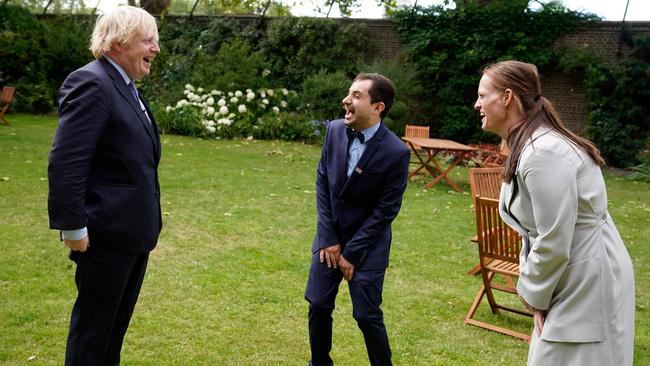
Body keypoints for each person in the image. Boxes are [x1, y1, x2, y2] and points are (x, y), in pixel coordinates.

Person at [474, 60, 635, 365]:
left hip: (587, 276)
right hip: (567, 273)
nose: (477, 104)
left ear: (507, 97)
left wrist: (532, 294)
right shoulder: (530, 146)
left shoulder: (543, 151)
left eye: (483, 95)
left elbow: (554, 236)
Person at [47, 6, 162, 365]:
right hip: (105, 237)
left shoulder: (125, 86)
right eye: (148, 40)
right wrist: (73, 227)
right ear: (119, 42)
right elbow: (66, 163)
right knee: (93, 336)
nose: (156, 49)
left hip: (132, 235)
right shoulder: (92, 82)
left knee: (111, 335)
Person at [305, 73, 410, 366]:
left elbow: (385, 211)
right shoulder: (335, 131)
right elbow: (323, 180)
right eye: (349, 93)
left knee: (366, 314)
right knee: (318, 303)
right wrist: (328, 238)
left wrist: (352, 252)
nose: (346, 100)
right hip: (331, 239)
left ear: (378, 107)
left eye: (356, 95)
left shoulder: (396, 153)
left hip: (368, 246)